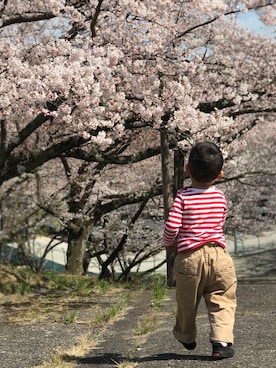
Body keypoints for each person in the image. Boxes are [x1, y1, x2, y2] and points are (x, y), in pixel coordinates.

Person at [163, 141, 237, 360]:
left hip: (189, 258)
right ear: (220, 174)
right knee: (223, 298)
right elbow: (221, 220)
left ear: (187, 170)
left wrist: (169, 243)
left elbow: (171, 226)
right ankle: (221, 342)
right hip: (219, 256)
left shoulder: (183, 197)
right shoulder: (220, 197)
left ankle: (186, 336)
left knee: (186, 301)